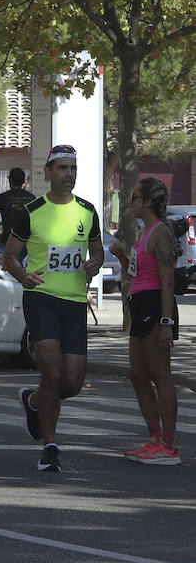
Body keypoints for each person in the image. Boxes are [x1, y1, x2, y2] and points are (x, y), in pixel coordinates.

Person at [2, 144, 104, 473]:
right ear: (47, 173)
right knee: (52, 371)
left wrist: (94, 265)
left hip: (74, 303)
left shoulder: (88, 211)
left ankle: (33, 402)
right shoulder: (31, 211)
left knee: (72, 383)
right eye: (61, 168)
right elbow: (9, 256)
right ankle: (50, 446)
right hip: (41, 298)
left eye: (72, 168)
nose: (68, 174)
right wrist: (23, 275)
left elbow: (98, 253)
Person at [111, 178, 181, 464]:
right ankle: (153, 439)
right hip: (140, 305)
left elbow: (167, 283)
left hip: (156, 306)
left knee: (160, 375)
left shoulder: (161, 233)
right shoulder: (144, 232)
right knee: (138, 375)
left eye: (135, 197)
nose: (131, 202)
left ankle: (169, 445)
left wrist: (166, 323)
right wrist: (122, 256)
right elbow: (137, 273)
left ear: (148, 202)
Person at [0, 167, 35, 248]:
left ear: (10, 180)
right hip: (28, 242)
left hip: (8, 241)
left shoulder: (1, 198)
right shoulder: (32, 198)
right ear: (23, 181)